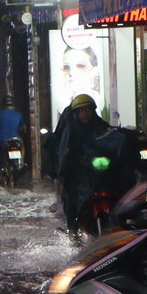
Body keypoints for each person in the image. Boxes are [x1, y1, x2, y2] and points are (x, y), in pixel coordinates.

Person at [56, 93, 110, 237]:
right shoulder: (71, 131)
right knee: (71, 196)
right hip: (78, 174)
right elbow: (65, 153)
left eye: (87, 110)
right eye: (81, 111)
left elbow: (111, 141)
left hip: (97, 173)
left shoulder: (101, 126)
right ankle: (73, 230)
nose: (85, 114)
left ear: (93, 111)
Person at [0, 95, 26, 177]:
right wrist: (19, 130)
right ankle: (21, 162)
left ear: (3, 105)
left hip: (2, 140)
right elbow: (24, 128)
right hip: (16, 140)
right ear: (13, 105)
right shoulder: (19, 115)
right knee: (22, 147)